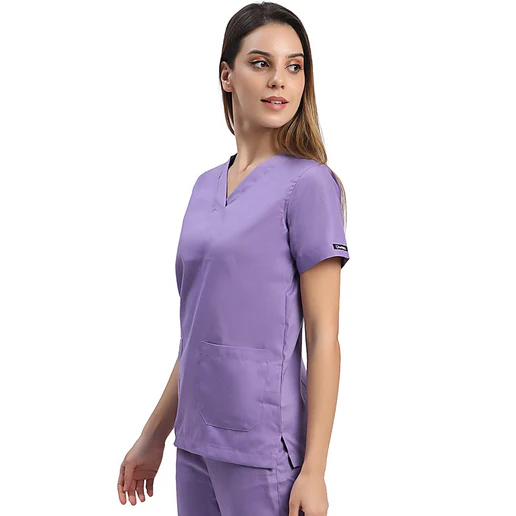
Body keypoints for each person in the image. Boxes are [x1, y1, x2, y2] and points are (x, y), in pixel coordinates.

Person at [117, 2, 350, 515]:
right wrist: (154, 434)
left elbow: (323, 336)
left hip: (263, 451)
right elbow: (197, 336)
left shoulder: (309, 185)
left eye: (294, 66)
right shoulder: (204, 187)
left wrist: (314, 469)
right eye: (261, 63)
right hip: (194, 445)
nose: (279, 80)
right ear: (227, 75)